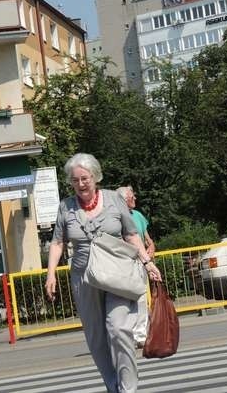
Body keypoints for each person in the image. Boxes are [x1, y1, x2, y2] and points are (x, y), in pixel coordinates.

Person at [45, 153, 161, 393]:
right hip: (84, 278)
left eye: (85, 178)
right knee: (97, 338)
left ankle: (128, 388)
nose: (80, 184)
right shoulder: (65, 207)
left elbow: (131, 234)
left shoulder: (113, 200)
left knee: (118, 328)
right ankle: (113, 386)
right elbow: (58, 242)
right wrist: (51, 274)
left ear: (95, 176)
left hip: (117, 273)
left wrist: (147, 262)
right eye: (75, 180)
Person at [116, 185, 156, 348]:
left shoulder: (138, 215)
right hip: (125, 263)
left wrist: (151, 246)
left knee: (141, 298)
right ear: (123, 201)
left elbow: (147, 239)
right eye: (131, 197)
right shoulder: (117, 218)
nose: (135, 199)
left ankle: (140, 335)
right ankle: (128, 335)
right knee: (126, 300)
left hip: (141, 262)